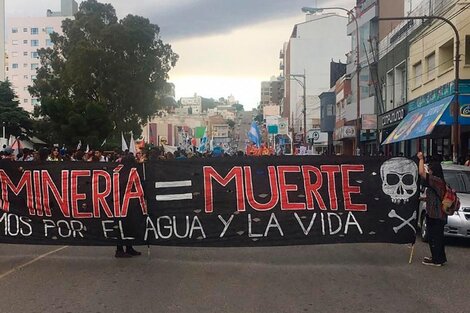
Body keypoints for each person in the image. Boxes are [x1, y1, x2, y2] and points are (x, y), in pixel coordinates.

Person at [417, 152, 447, 267]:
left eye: (429, 170)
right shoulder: (440, 182)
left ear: (433, 170)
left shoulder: (436, 180)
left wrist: (421, 159)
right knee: (437, 236)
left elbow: (421, 172)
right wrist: (424, 199)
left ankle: (437, 259)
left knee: (435, 237)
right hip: (437, 213)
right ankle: (439, 257)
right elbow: (435, 197)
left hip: (436, 214)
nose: (428, 171)